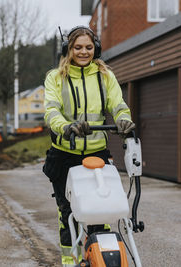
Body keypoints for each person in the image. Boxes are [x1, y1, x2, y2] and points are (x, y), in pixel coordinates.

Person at [42, 26, 135, 266]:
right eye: (78, 47)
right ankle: (69, 260)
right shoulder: (55, 77)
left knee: (100, 212)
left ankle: (97, 258)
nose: (84, 52)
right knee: (68, 213)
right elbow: (51, 110)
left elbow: (118, 104)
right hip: (64, 154)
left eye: (89, 47)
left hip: (96, 155)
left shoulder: (105, 76)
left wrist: (123, 119)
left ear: (96, 49)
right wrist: (65, 126)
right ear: (68, 50)